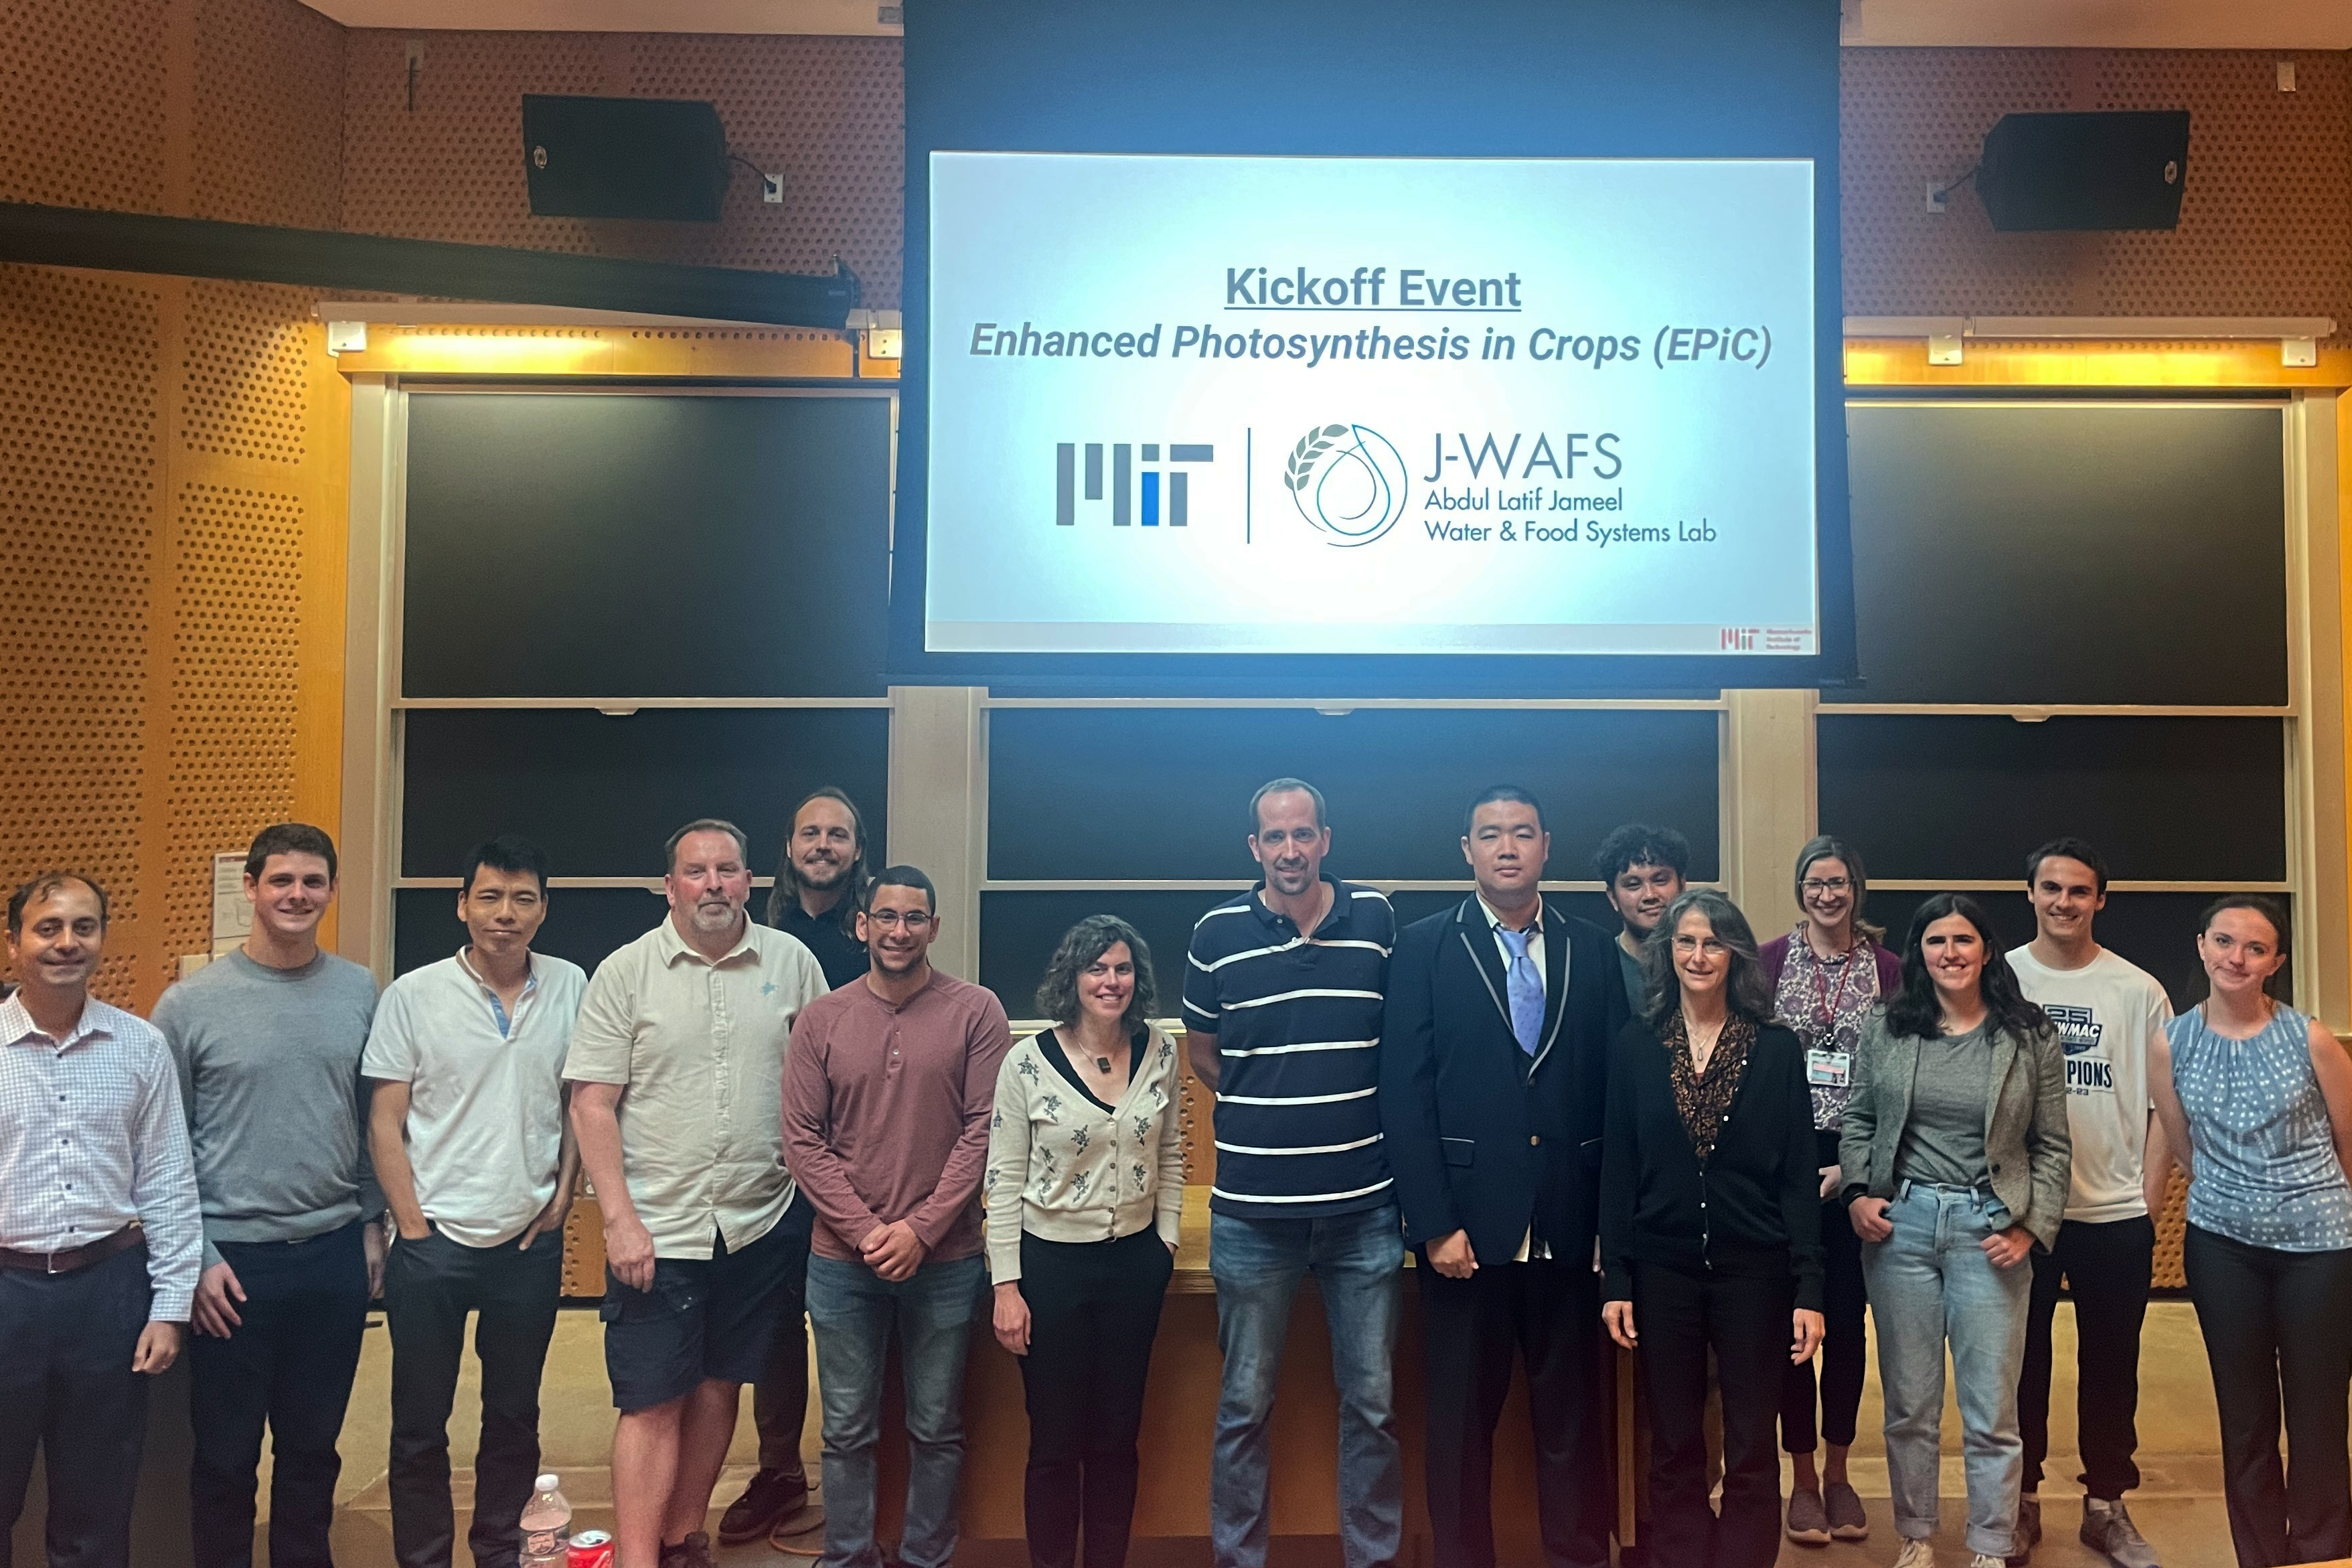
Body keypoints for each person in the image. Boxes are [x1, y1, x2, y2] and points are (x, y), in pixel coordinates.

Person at [564, 818, 827, 1568]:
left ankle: (684, 1541)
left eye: (728, 869)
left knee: (720, 1385)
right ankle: (640, 1558)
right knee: (651, 1399)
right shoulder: (626, 970)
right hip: (657, 1224)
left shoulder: (793, 962)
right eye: (696, 870)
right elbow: (591, 1103)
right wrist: (618, 1221)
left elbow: (819, 1084)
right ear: (669, 884)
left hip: (759, 1219)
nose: (713, 883)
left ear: (751, 880)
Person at [1381, 785, 1629, 1568]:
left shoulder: (1594, 950)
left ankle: (1580, 1553)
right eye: (1491, 834)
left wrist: (1606, 1226)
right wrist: (1431, 1221)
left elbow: (1616, 1093)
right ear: (1467, 850)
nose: (1508, 847)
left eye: (1523, 833)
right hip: (1464, 1228)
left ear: (1547, 845)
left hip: (1568, 1221)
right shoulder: (1424, 945)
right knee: (1458, 1424)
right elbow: (1405, 1090)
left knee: (1571, 1420)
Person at [1183, 778, 1401, 1568]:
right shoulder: (1215, 932)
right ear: (1254, 848)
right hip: (1252, 1217)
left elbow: (1395, 1040)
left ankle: (1371, 1556)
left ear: (1325, 840)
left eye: (1302, 833)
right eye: (1274, 837)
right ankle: (1239, 1559)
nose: (1290, 850)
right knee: (1243, 1405)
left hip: (1363, 1213)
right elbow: (1204, 1055)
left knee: (1372, 1404)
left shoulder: (1375, 920)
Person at [157, 822, 386, 1568]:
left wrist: (372, 1221)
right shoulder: (189, 1004)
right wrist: (195, 1254)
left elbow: (373, 1120)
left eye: (313, 881)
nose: (297, 894)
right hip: (231, 1267)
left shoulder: (360, 990)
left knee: (313, 1450)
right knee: (224, 1459)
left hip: (331, 1254)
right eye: (281, 880)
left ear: (331, 890)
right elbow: (161, 1147)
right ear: (250, 887)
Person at [364, 836, 585, 1568]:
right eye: (490, 897)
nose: (506, 914)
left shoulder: (571, 984)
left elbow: (579, 1098)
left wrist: (562, 1196)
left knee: (515, 1415)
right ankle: (424, 1557)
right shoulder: (413, 994)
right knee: (421, 1423)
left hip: (527, 1238)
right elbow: (386, 1119)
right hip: (434, 1244)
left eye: (523, 899)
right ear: (462, 905)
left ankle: (499, 1549)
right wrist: (412, 1225)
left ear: (543, 909)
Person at [783, 865, 1011, 1568]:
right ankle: (848, 1555)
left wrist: (920, 1229)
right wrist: (867, 1230)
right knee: (847, 1429)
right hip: (840, 1262)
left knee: (937, 1426)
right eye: (886, 916)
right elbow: (801, 1138)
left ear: (934, 928)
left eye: (914, 918)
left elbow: (985, 1130)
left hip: (945, 1261)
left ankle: (926, 1556)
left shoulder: (977, 1011)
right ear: (862, 925)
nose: (899, 930)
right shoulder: (823, 1018)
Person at [1840, 893, 2069, 1568]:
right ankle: (1916, 1534)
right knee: (1910, 1403)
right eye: (1936, 940)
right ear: (1919, 953)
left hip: (1990, 1229)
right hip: (1901, 1229)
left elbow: (2052, 1144)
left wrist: (2030, 1225)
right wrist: (1857, 1192)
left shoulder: (2028, 1032)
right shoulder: (1888, 1023)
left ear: (1987, 949)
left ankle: (1993, 1543)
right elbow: (1859, 1119)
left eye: (1963, 939)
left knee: (1991, 1407)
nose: (1951, 952)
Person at [1601, 889, 1824, 1568]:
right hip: (1662, 1269)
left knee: (1753, 1438)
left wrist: (1809, 1285)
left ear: (1735, 954)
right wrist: (1617, 1275)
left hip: (1755, 1269)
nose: (1698, 955)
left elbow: (1797, 1176)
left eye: (1713, 942)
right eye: (1685, 941)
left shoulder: (1777, 1047)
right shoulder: (1637, 1044)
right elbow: (1619, 1164)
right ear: (1667, 953)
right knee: (1673, 1439)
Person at [0, 873, 202, 1568]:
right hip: (7, 1291)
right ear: (14, 942)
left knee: (98, 1501)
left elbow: (169, 1181)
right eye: (47, 927)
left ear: (102, 939)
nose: (66, 942)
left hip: (108, 1290)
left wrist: (171, 1305)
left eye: (83, 927)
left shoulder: (140, 1045)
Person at [2152, 896, 2352, 1567]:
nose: (2237, 957)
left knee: (2318, 1410)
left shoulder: (2310, 1037)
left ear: (2277, 962)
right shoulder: (2171, 1040)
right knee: (2245, 1417)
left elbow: (2350, 1143)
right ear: (2202, 946)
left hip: (2319, 1246)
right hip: (2223, 1245)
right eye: (2225, 941)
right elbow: (2183, 1146)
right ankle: (2261, 1555)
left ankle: (2320, 1550)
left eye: (2256, 947)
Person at [986, 915, 1185, 1568]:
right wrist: (1006, 1284)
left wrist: (1165, 1242)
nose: (1111, 980)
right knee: (1055, 1441)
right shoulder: (1026, 1060)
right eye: (1097, 967)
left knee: (1116, 1438)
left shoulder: (1159, 1050)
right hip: (1050, 1268)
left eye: (1123, 967)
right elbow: (1004, 1175)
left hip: (1133, 1265)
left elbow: (1175, 1152)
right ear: (1071, 978)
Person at [2005, 839, 2172, 1568]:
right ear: (2031, 893)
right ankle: (2020, 1500)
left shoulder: (2138, 989)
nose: (2063, 901)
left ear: (2100, 898)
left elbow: (2168, 1105)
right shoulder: (2000, 974)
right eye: (2051, 887)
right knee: (2020, 1362)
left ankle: (2106, 1503)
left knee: (2112, 1362)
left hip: (2113, 1211)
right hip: (2021, 1212)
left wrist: (2152, 1195)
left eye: (2079, 890)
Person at [723, 787, 876, 1551]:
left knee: (869, 1327)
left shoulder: (880, 929)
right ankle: (780, 1468)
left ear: (857, 847)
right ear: (787, 847)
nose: (823, 843)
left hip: (868, 1165)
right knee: (779, 1326)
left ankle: (879, 1480)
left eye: (838, 833)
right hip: (778, 1167)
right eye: (810, 831)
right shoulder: (761, 933)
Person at [1759, 835, 1901, 1547]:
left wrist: (1854, 1167)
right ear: (1800, 888)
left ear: (1858, 888)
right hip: (1784, 1161)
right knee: (1792, 1325)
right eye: (1815, 882)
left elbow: (1904, 1078)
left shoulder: (1890, 970)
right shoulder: (1767, 961)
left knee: (1847, 1321)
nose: (1827, 894)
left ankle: (1841, 1470)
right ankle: (1803, 1479)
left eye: (1839, 881)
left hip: (1861, 1161)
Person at [1593, 824, 1690, 1017]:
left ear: (1682, 885)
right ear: (1613, 897)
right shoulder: (1597, 968)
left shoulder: (1703, 962)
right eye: (1633, 885)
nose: (1650, 895)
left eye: (1660, 880)